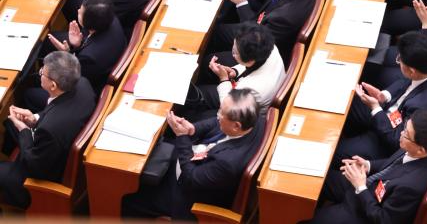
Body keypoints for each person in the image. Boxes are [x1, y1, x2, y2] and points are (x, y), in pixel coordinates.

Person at [122, 89, 266, 219]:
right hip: (197, 158)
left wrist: (182, 137)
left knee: (128, 196)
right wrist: (193, 129)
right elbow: (215, 123)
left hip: (188, 193)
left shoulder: (227, 163)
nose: (218, 115)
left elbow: (191, 177)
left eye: (222, 113)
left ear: (236, 126)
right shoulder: (254, 119)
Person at [336, 31, 427, 161]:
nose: (398, 62)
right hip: (390, 110)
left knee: (337, 152)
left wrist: (375, 107)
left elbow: (395, 140)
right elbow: (408, 80)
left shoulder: (421, 108)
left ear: (411, 70)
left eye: (400, 60)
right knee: (345, 98)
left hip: (387, 138)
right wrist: (385, 96)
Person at [311, 111, 427, 224]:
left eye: (406, 134)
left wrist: (360, 186)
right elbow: (393, 164)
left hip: (364, 213)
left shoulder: (410, 188)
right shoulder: (420, 147)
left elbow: (382, 219)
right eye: (404, 127)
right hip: (368, 187)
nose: (401, 133)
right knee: (319, 178)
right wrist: (368, 165)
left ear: (421, 150)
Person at [0, 52, 95, 209]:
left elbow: (34, 166)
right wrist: (35, 118)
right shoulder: (83, 84)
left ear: (53, 85)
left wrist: (23, 129)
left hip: (42, 178)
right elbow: (55, 109)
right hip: (57, 145)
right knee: (9, 124)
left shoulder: (49, 130)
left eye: (43, 72)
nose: (41, 72)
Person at [42, 0, 126, 96]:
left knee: (31, 92)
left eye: (80, 12)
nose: (78, 11)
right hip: (100, 54)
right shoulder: (111, 19)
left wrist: (67, 53)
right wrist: (77, 45)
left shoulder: (89, 58)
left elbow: (73, 77)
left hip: (88, 86)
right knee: (49, 40)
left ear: (88, 23)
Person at [191, 25, 285, 114]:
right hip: (255, 86)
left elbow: (228, 106)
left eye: (235, 52)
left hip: (242, 110)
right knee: (207, 62)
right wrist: (235, 72)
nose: (233, 53)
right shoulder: (269, 46)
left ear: (249, 60)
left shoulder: (250, 88)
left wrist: (224, 79)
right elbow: (252, 65)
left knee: (198, 92)